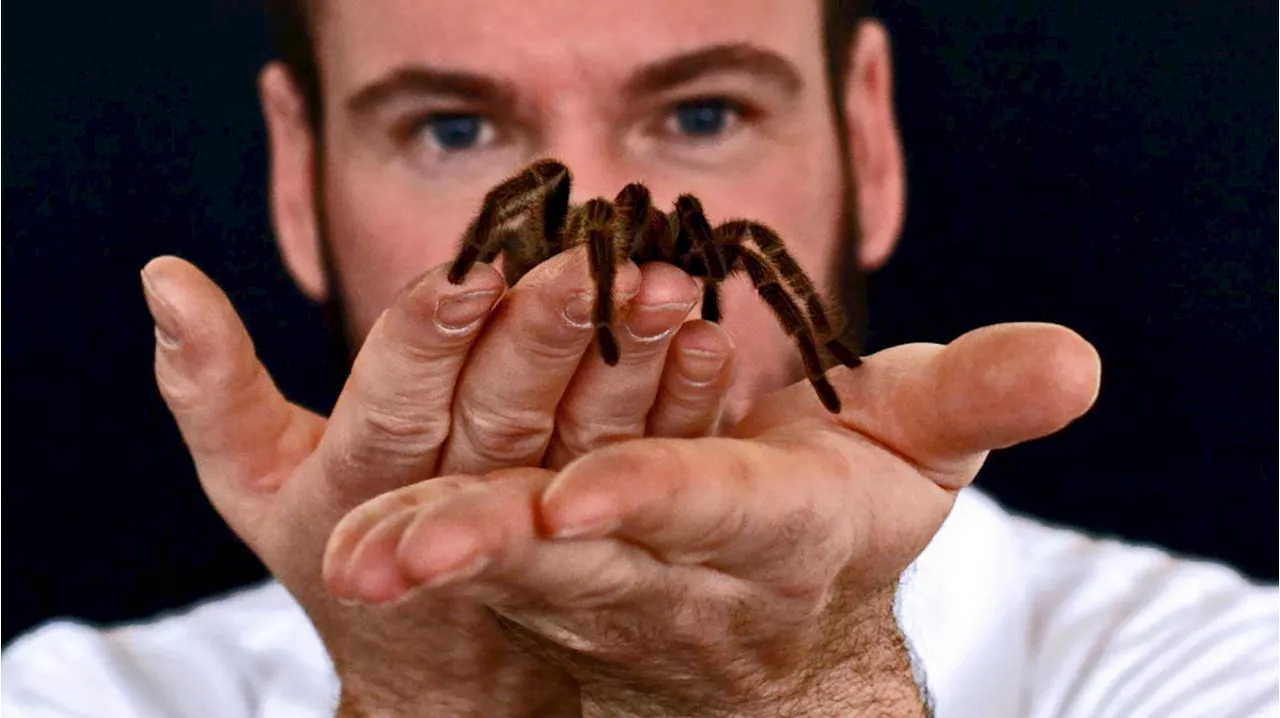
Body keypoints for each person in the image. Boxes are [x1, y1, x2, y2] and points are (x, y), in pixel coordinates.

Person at [2, 0, 1277, 715]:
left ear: (870, 142)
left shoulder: (1211, 665)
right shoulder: (73, 695)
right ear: (296, 181)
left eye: (704, 111)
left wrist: (795, 697)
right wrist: (427, 703)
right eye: (450, 125)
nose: (611, 187)